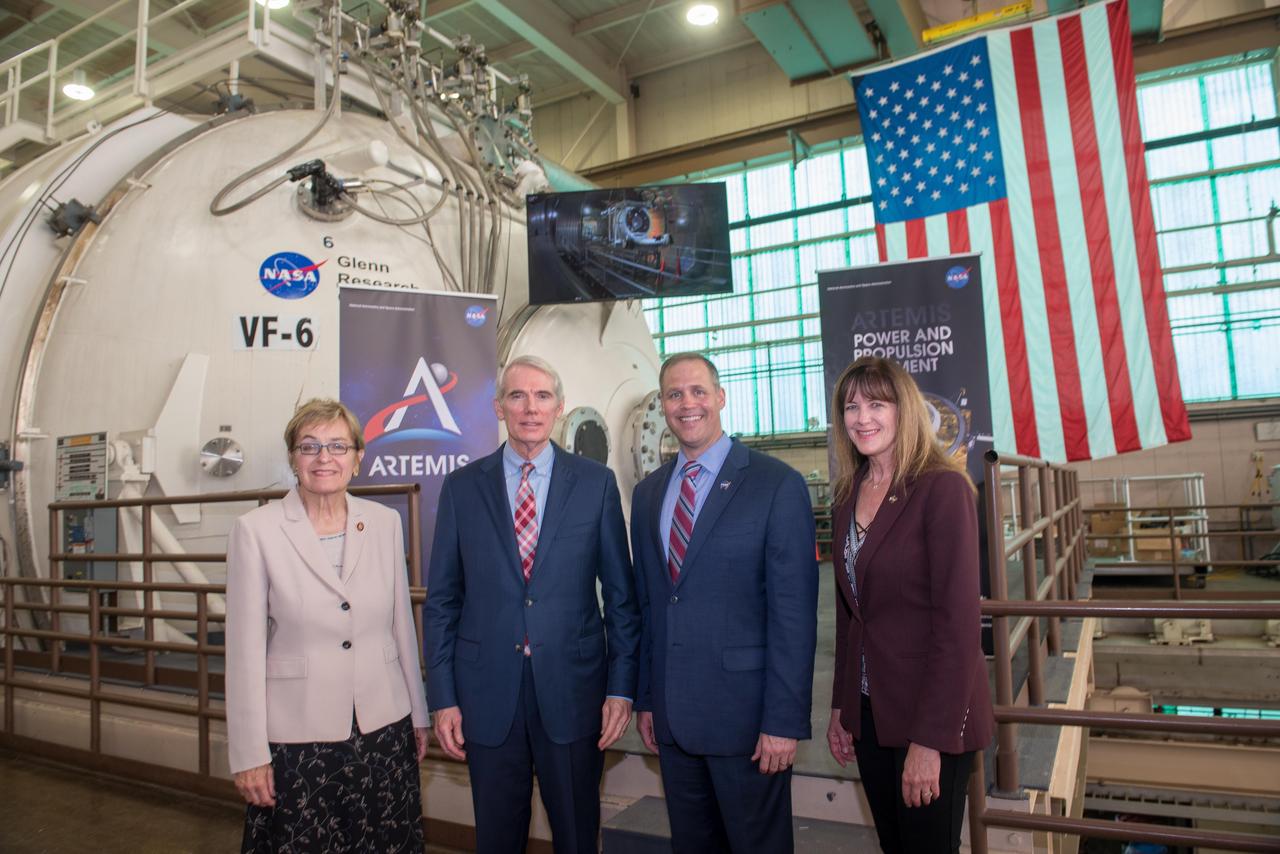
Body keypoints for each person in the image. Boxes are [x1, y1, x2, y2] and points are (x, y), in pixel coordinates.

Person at [424, 355, 640, 854]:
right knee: (498, 838)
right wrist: (444, 696)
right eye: (517, 396)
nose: (530, 407)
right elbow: (442, 603)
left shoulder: (595, 484)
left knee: (578, 834)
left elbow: (623, 601)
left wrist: (622, 689)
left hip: (574, 691)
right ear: (499, 407)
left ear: (559, 407)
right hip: (486, 696)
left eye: (542, 396)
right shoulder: (461, 488)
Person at [630, 352, 818, 854]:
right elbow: (651, 605)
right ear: (663, 407)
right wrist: (647, 698)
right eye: (674, 394)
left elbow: (793, 616)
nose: (686, 404)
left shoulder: (776, 485)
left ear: (720, 398)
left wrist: (782, 720)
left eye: (697, 392)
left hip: (748, 723)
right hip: (672, 722)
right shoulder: (647, 494)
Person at [225, 398, 429, 853]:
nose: (324, 458)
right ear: (293, 458)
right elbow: (242, 652)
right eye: (310, 446)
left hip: (384, 728)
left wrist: (418, 712)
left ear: (358, 457)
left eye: (338, 446)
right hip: (299, 742)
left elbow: (400, 624)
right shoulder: (256, 531)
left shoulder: (384, 523)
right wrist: (248, 754)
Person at [824, 357, 994, 853]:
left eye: (877, 403)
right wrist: (841, 705)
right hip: (871, 712)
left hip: (931, 715)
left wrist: (930, 741)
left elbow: (959, 627)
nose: (862, 417)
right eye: (852, 406)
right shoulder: (848, 494)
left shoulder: (942, 490)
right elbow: (849, 614)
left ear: (905, 411)